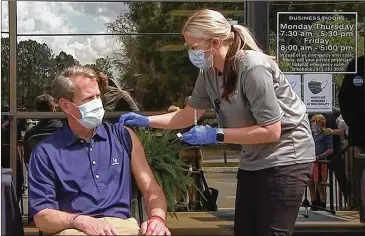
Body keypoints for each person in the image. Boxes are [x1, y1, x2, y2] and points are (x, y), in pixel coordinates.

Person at [118, 9, 315, 236]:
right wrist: (146, 120)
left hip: (288, 157)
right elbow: (188, 114)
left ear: (214, 42)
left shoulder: (253, 67)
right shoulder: (208, 72)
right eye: (188, 47)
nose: (191, 52)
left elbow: (271, 131)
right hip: (253, 160)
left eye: (193, 46)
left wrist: (216, 134)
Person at [28, 65, 170, 236]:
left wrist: (157, 219)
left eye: (98, 96)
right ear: (66, 106)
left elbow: (151, 190)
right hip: (74, 229)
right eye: (88, 99)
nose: (97, 103)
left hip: (123, 227)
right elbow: (42, 217)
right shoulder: (46, 152)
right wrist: (79, 221)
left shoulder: (123, 136)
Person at [23, 94, 63, 164]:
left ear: (37, 111)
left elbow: (27, 159)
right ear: (53, 108)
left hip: (38, 171)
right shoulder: (64, 130)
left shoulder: (30, 135)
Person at [310, 114, 333, 210]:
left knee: (321, 185)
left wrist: (319, 156)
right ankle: (313, 203)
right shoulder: (310, 133)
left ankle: (323, 205)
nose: (314, 124)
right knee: (310, 184)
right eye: (313, 122)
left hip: (321, 162)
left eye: (317, 122)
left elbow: (330, 149)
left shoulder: (326, 134)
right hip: (311, 161)